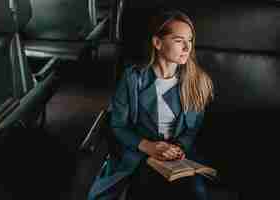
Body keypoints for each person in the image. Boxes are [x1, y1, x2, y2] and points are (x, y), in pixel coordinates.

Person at [88, 9, 214, 200]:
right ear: (157, 43)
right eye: (179, 41)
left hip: (178, 154)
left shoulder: (197, 80)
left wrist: (178, 147)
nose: (187, 48)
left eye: (190, 41)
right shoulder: (132, 79)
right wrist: (147, 146)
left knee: (197, 192)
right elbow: (118, 125)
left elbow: (193, 128)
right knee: (140, 187)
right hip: (140, 150)